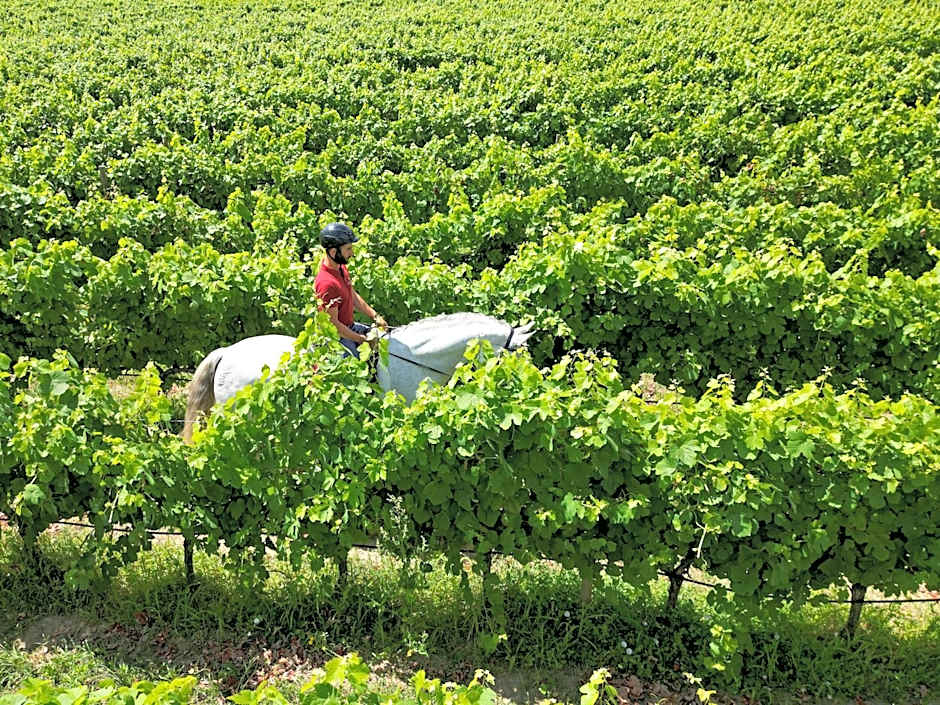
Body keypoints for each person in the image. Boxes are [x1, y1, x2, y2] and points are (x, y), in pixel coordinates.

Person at [314, 222, 387, 357]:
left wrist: (374, 316)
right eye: (348, 249)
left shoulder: (340, 268)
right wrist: (362, 339)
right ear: (333, 252)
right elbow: (334, 325)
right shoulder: (326, 283)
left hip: (350, 327)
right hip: (337, 338)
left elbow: (352, 295)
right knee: (360, 371)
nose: (352, 253)